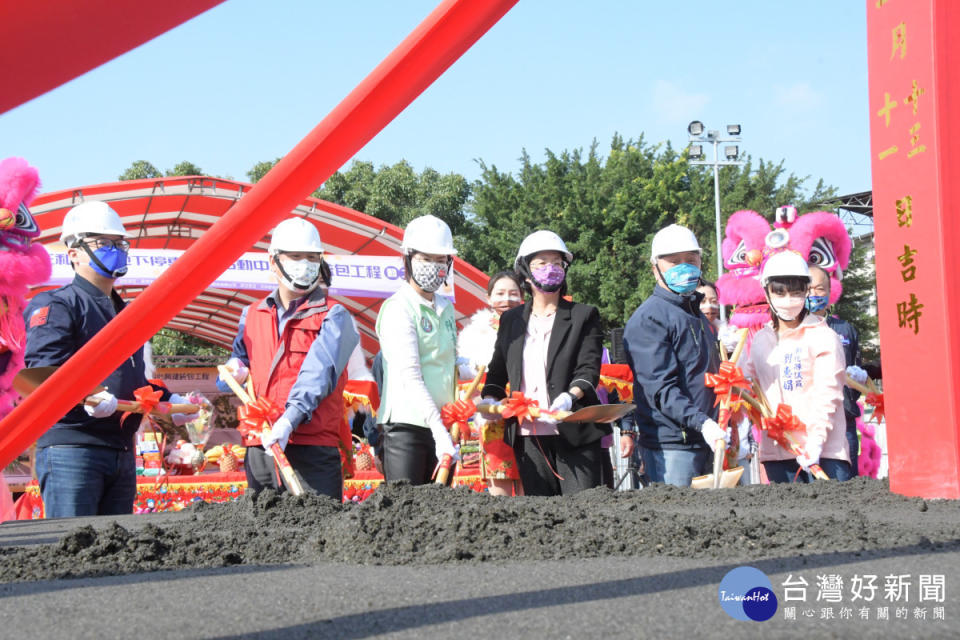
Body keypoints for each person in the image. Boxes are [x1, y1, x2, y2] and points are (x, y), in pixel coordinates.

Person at [24, 201, 190, 517]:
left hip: (121, 450)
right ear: (73, 252)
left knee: (115, 554)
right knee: (72, 548)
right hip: (73, 447)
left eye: (119, 243)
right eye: (103, 243)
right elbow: (43, 373)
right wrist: (89, 396)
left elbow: (136, 380)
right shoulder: (57, 305)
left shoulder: (129, 314)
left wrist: (172, 401)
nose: (115, 249)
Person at [218, 217, 358, 500]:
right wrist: (236, 369)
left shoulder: (335, 315)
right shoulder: (252, 314)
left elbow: (319, 375)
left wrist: (288, 421)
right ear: (274, 261)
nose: (304, 264)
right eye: (295, 257)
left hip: (312, 446)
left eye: (311, 257)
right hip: (261, 444)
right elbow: (242, 358)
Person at [481, 230, 606, 496]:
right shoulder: (511, 320)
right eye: (541, 263)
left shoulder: (584, 316)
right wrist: (491, 401)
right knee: (541, 516)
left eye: (557, 263)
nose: (551, 269)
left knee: (584, 510)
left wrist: (569, 398)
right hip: (528, 436)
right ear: (525, 271)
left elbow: (588, 368)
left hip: (573, 429)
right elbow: (497, 372)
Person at [622, 224, 725, 487]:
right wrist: (703, 422)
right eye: (675, 261)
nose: (685, 267)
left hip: (704, 439)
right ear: (655, 267)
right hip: (672, 445)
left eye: (691, 260)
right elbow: (660, 388)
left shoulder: (697, 315)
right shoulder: (650, 319)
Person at [742, 251, 851, 482]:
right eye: (779, 291)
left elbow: (828, 395)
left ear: (806, 291)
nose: (788, 298)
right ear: (767, 292)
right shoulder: (761, 340)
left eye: (796, 291)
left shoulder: (824, 336)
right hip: (778, 455)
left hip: (822, 453)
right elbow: (748, 389)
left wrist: (816, 442)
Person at [375, 214, 459, 485]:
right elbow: (410, 374)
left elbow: (448, 361)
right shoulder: (399, 308)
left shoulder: (446, 308)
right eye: (426, 258)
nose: (434, 266)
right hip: (406, 429)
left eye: (440, 260)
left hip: (443, 425)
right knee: (405, 515)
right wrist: (438, 431)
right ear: (407, 259)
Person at [457, 270, 525, 496]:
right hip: (493, 417)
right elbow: (466, 379)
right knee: (500, 484)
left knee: (532, 482)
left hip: (528, 414)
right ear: (488, 297)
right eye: (501, 293)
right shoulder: (474, 333)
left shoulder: (535, 326)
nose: (507, 299)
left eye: (513, 293)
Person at [807, 264, 866, 476]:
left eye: (819, 288)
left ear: (830, 292)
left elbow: (858, 377)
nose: (813, 294)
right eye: (807, 288)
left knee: (846, 485)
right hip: (805, 425)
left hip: (843, 423)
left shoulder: (845, 330)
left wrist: (859, 378)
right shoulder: (791, 332)